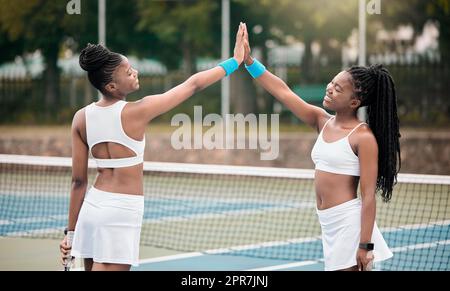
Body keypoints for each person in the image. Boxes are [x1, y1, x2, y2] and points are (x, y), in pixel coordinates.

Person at [59, 23, 246, 271]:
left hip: (92, 211)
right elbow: (193, 85)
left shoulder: (80, 118)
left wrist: (71, 234)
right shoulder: (138, 111)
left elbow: (78, 183)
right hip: (121, 211)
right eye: (128, 72)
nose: (135, 72)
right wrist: (235, 60)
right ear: (111, 87)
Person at [242, 24, 399, 271]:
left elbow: (368, 196)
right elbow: (283, 92)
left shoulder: (363, 137)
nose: (330, 88)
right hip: (328, 224)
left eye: (338, 89)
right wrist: (249, 61)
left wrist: (365, 245)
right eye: (332, 82)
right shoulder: (321, 120)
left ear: (354, 102)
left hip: (349, 224)